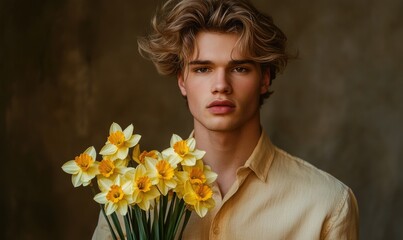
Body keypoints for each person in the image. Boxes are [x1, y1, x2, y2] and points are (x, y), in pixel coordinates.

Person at [93, 0, 359, 239]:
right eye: (203, 69)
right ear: (182, 80)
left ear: (264, 79)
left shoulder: (327, 204)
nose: (221, 85)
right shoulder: (130, 197)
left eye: (240, 68)